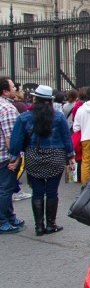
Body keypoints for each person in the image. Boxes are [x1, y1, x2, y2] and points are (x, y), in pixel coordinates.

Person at [9, 85, 75, 236]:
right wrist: (70, 156)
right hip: (56, 156)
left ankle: (39, 226)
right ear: (50, 101)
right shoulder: (58, 117)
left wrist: (14, 158)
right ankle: (51, 224)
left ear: (35, 99)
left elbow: (16, 140)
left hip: (33, 155)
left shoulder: (24, 117)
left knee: (37, 192)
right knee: (52, 191)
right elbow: (67, 138)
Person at [0, 77, 23, 234]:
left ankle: (9, 216)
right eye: (13, 87)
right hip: (5, 156)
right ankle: (3, 220)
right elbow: (11, 137)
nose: (15, 89)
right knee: (5, 189)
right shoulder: (7, 109)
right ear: (5, 91)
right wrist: (15, 157)